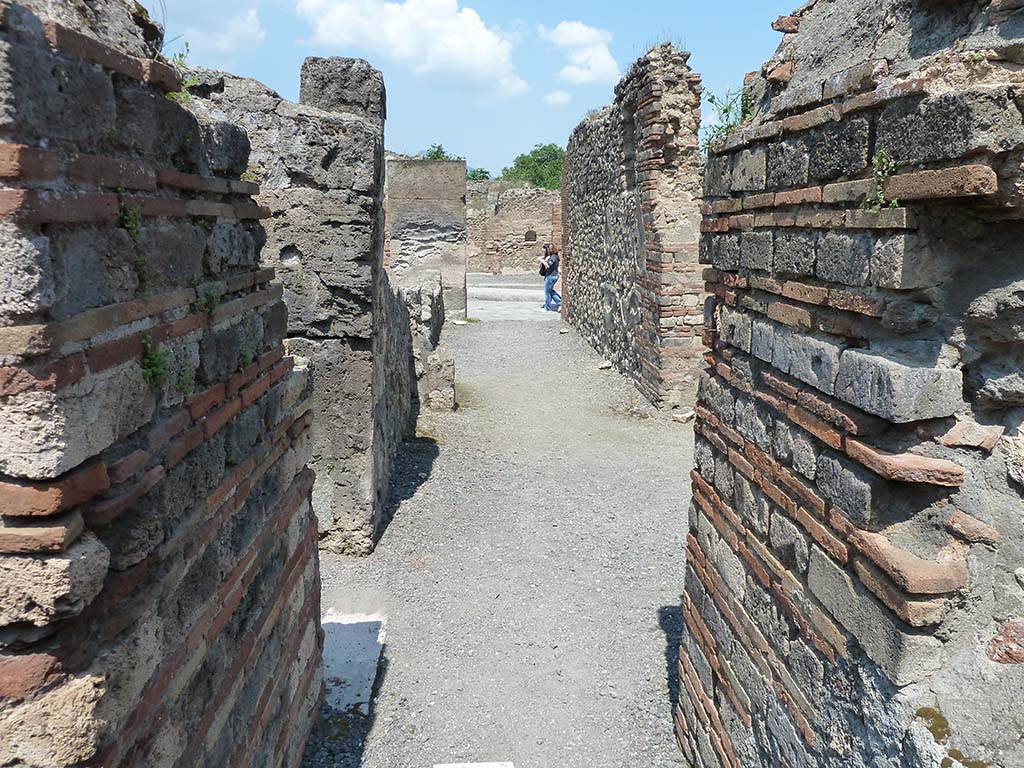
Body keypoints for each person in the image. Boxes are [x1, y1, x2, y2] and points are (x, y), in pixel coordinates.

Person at [538, 244, 562, 312]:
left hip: (551, 276)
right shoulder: (554, 256)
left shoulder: (553, 257)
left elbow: (548, 265)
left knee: (547, 292)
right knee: (550, 291)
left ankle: (547, 307)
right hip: (551, 275)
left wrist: (541, 260)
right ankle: (560, 303)